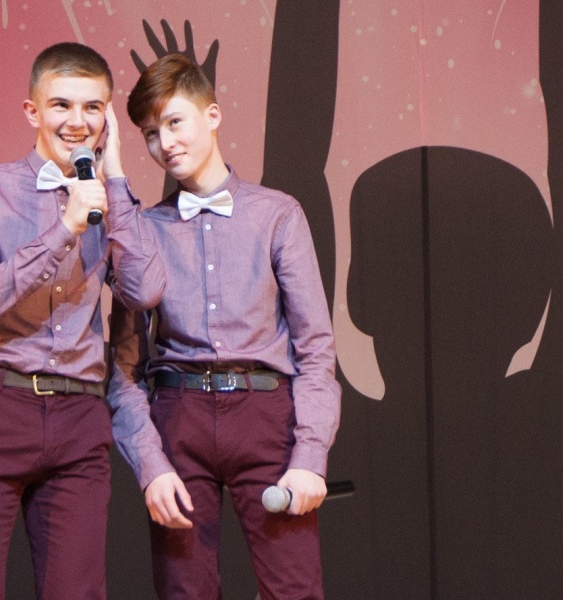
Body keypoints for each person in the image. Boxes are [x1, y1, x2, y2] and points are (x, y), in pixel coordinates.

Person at [107, 53, 341, 599]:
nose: (165, 143)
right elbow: (124, 370)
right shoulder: (143, 230)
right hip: (178, 418)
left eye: (175, 122)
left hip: (266, 416)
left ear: (212, 115)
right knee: (184, 591)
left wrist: (310, 456)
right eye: (150, 134)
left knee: (294, 590)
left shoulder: (277, 214)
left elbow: (315, 348)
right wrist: (150, 462)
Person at [0, 42, 161, 600]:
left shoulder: (110, 202)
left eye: (92, 108)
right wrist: (64, 228)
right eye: (61, 105)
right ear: (32, 111)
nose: (77, 122)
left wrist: (115, 180)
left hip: (78, 416)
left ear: (108, 117)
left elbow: (145, 291)